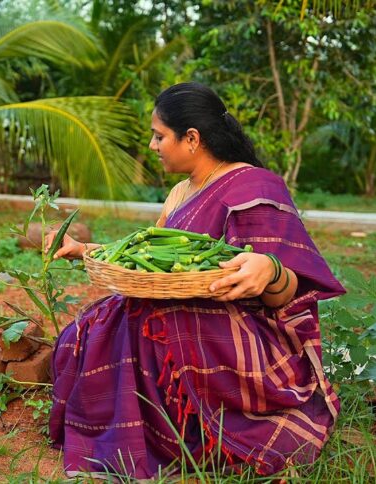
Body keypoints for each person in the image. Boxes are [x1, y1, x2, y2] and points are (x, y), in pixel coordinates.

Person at [45, 82, 345, 479]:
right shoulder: (180, 192)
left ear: (191, 138)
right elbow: (146, 258)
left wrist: (270, 269)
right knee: (95, 325)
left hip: (244, 330)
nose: (152, 145)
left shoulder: (255, 187)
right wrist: (83, 248)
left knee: (149, 325)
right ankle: (124, 433)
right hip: (183, 308)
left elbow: (286, 297)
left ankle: (182, 438)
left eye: (159, 136)